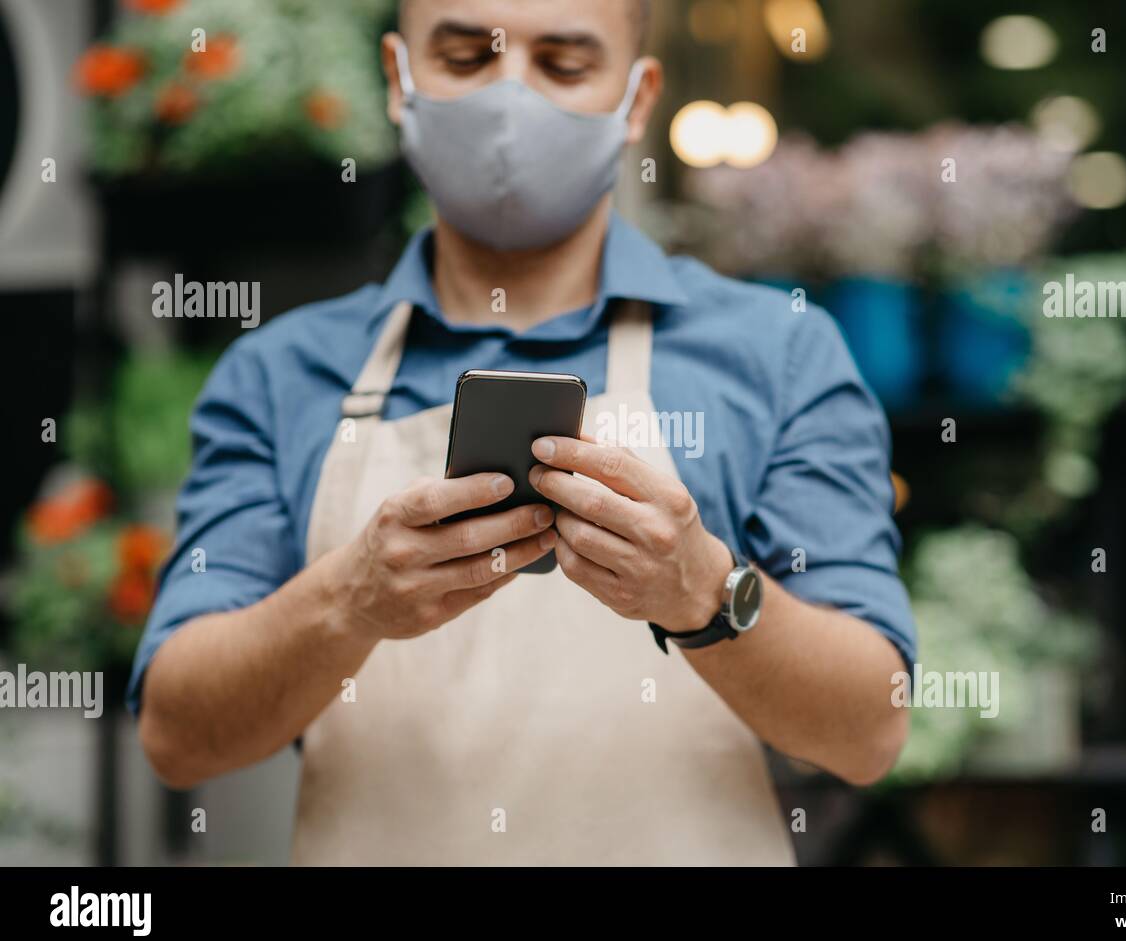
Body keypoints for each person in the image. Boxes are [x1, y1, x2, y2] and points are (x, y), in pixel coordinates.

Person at [129, 0, 917, 866]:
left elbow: (868, 731)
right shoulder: (279, 374)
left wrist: (703, 591)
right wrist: (348, 599)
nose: (511, 104)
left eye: (564, 65)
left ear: (639, 95)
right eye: (466, 58)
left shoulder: (779, 354)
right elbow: (177, 734)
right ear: (399, 79)